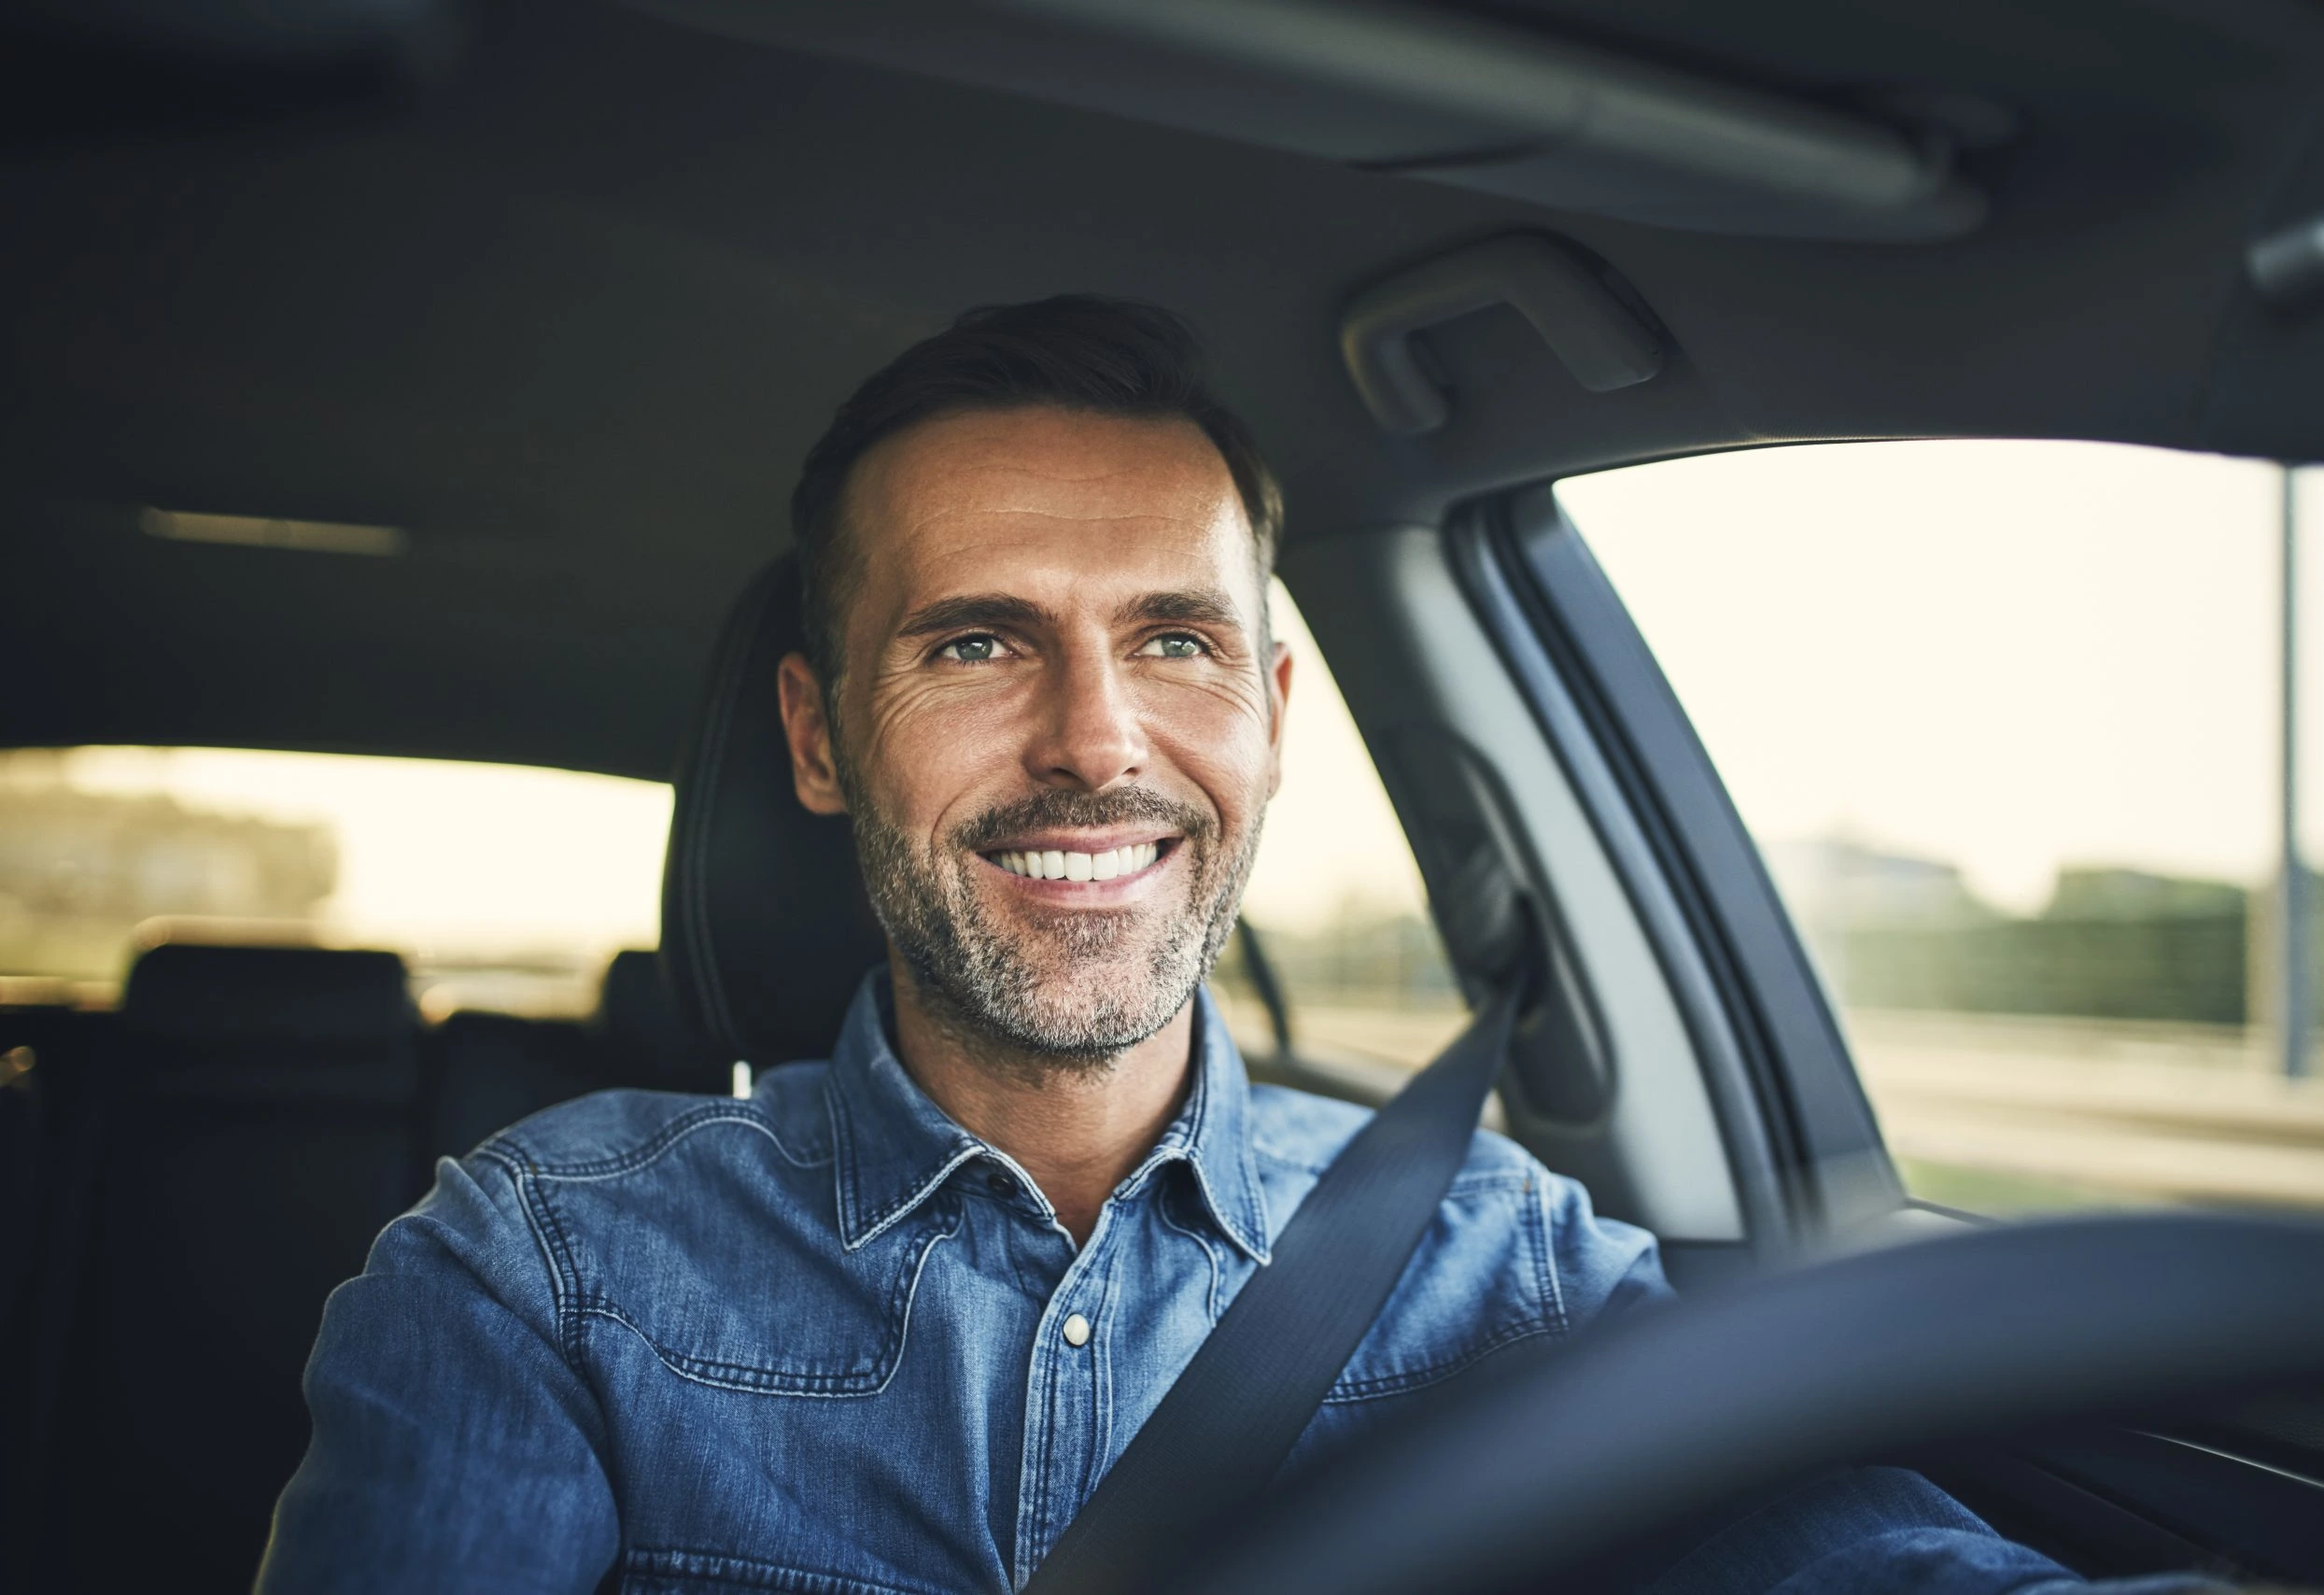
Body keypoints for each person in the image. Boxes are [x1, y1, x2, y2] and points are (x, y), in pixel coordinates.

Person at [257, 298, 2210, 1594]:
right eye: (974, 640)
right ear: (814, 736)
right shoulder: (539, 1269)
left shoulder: (1504, 1264)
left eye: (1174, 640)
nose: (1096, 741)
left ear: (1272, 709)